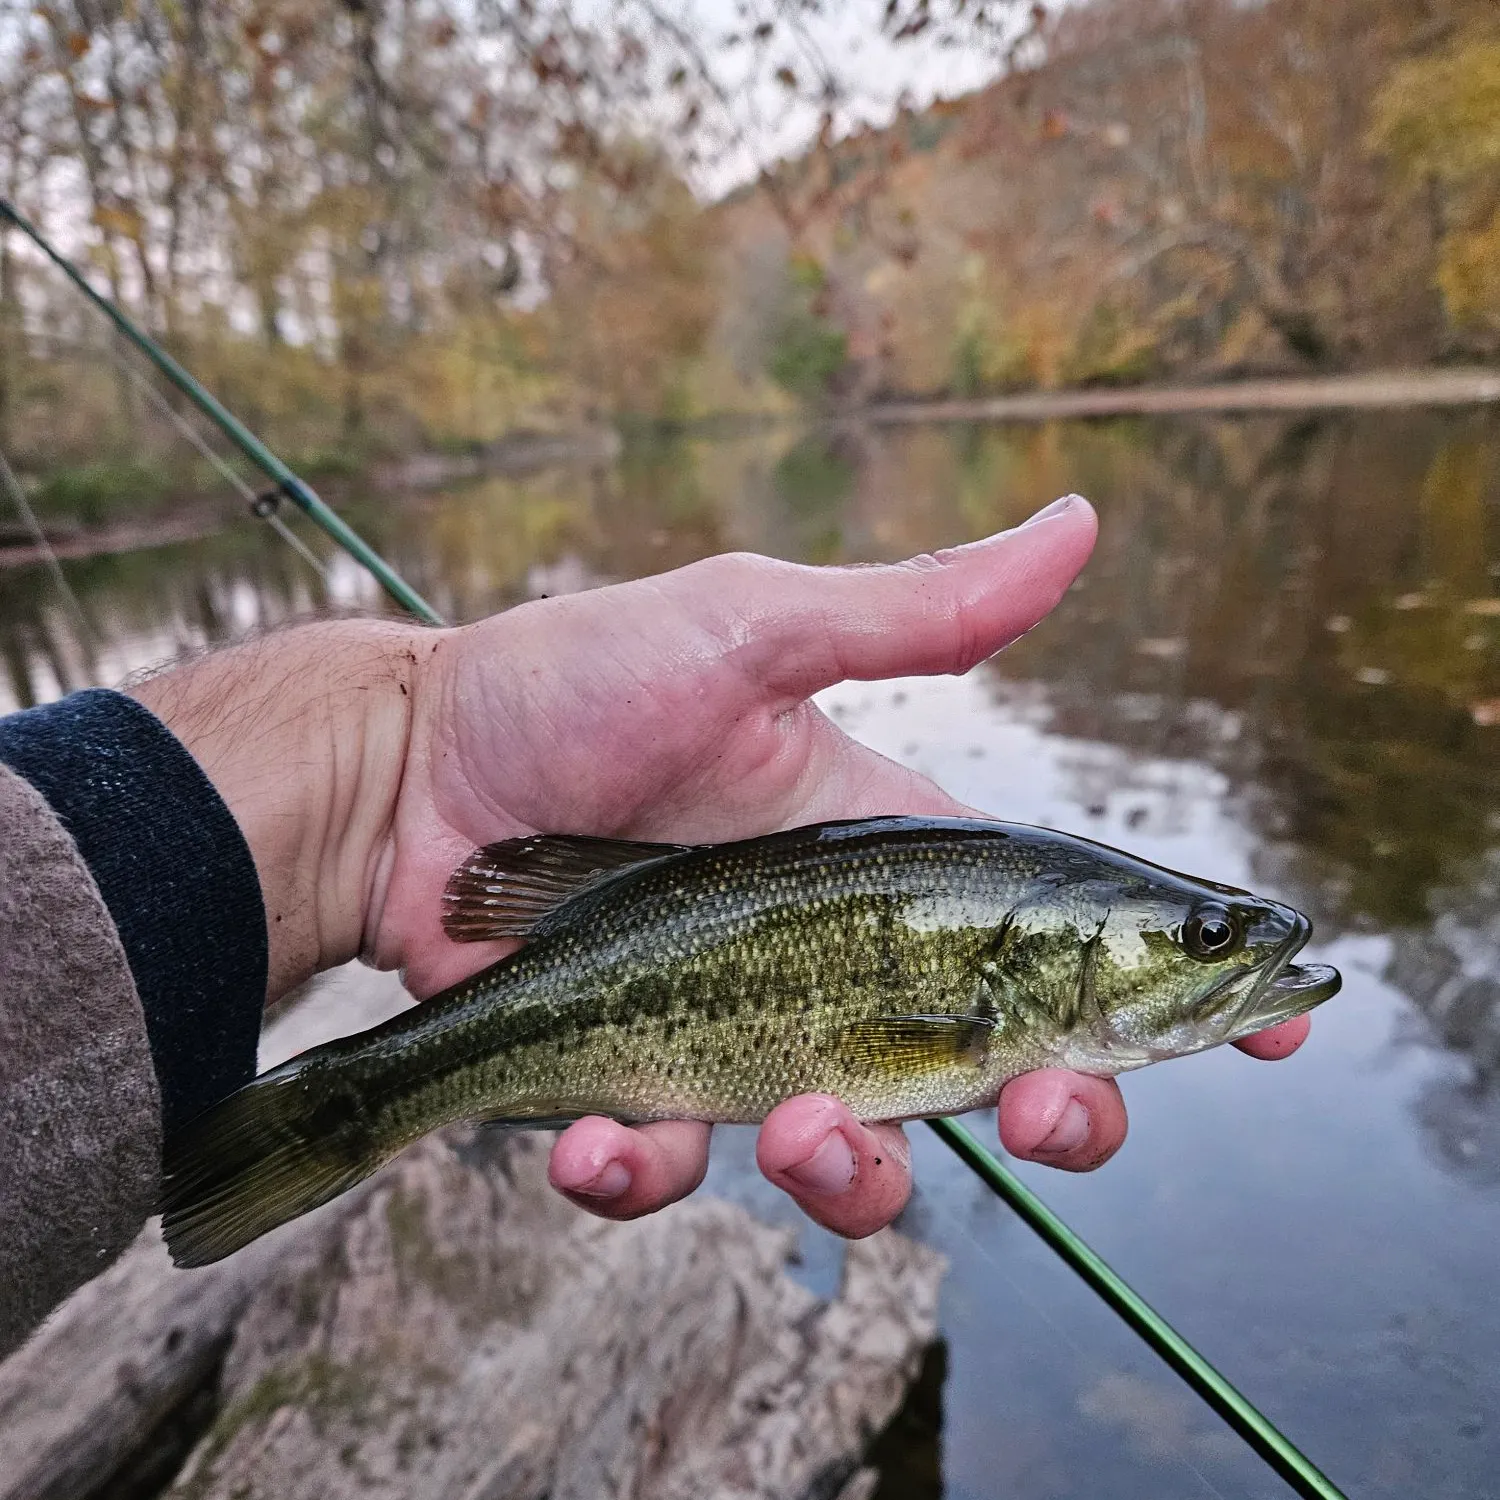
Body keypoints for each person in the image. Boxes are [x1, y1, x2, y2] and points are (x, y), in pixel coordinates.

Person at [0, 495, 1308, 1355]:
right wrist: (409, 748)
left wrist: (402, 743)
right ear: (1047, 964)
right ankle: (347, 1106)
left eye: (1198, 935)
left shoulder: (1014, 952)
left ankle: (361, 1100)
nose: (1232, 950)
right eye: (1198, 938)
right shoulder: (995, 979)